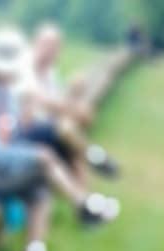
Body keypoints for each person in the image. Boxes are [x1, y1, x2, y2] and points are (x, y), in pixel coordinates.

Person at [0, 27, 119, 251]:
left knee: (40, 188)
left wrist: (26, 137)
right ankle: (83, 204)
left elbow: (12, 133)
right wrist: (33, 155)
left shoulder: (3, 89)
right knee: (45, 161)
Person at [17, 22, 120, 186]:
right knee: (67, 130)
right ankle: (97, 158)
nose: (51, 51)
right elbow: (44, 102)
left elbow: (56, 103)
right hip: (25, 131)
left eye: (55, 47)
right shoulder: (23, 68)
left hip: (47, 128)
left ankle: (85, 196)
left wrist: (74, 94)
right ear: (36, 43)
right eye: (48, 45)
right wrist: (73, 107)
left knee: (73, 145)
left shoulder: (50, 73)